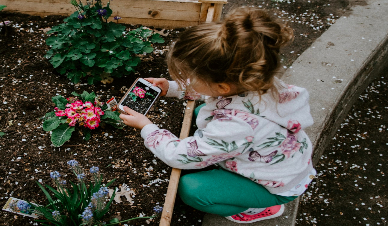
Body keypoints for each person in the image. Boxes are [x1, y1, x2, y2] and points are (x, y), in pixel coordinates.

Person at [119, 7, 316, 224]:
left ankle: (255, 208)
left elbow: (179, 156)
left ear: (222, 86)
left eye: (192, 76)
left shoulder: (234, 126)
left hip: (272, 184)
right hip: (279, 161)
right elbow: (213, 94)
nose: (189, 79)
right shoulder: (258, 81)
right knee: (198, 112)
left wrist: (147, 127)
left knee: (191, 189)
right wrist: (172, 88)